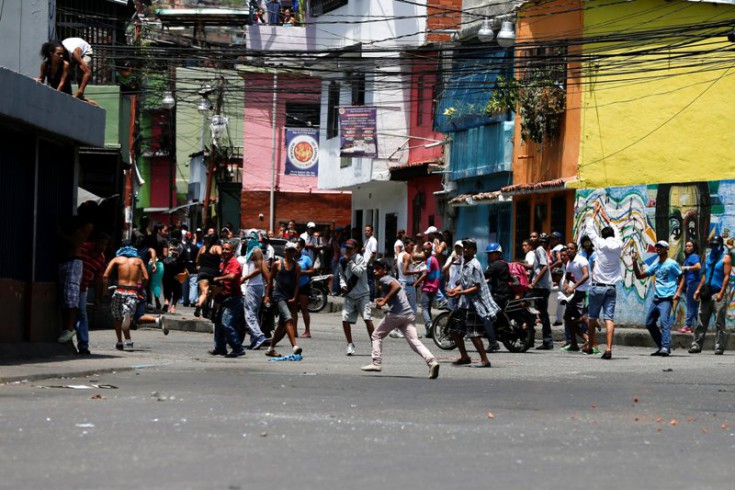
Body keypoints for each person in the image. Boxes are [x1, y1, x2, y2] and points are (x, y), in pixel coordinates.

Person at [361, 260, 440, 379]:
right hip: (408, 314)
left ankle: (376, 362)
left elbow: (397, 287)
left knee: (376, 335)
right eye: (374, 268)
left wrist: (384, 301)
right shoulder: (391, 279)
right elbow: (402, 294)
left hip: (397, 314)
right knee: (414, 342)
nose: (374, 271)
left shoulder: (385, 279)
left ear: (385, 270)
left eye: (378, 268)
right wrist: (382, 299)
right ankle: (432, 361)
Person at [446, 240, 499, 368]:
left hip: (473, 305)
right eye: (464, 248)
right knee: (454, 331)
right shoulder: (465, 263)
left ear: (474, 251)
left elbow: (476, 287)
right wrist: (455, 290)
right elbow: (464, 284)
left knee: (474, 334)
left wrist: (460, 292)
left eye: (468, 248)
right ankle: (464, 357)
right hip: (463, 304)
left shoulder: (475, 265)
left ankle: (485, 360)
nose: (465, 250)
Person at [584, 202, 624, 360]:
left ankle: (591, 345)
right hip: (611, 287)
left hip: (597, 286)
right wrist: (606, 217)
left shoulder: (600, 244)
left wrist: (595, 214)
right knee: (609, 318)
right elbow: (617, 230)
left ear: (603, 235)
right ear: (613, 235)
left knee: (592, 317)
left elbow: (589, 230)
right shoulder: (619, 244)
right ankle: (608, 348)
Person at [632, 240, 682, 356]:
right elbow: (640, 276)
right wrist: (634, 262)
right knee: (649, 323)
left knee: (664, 322)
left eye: (661, 247)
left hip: (666, 298)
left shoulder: (672, 263)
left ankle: (665, 346)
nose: (658, 249)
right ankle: (662, 346)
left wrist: (678, 291)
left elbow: (681, 276)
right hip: (657, 298)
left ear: (666, 249)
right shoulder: (656, 264)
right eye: (657, 247)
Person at [57, 201, 96, 344]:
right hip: (66, 260)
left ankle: (68, 328)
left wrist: (61, 233)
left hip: (74, 261)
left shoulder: (87, 226)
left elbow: (75, 241)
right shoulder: (77, 223)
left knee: (71, 296)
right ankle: (67, 327)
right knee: (65, 295)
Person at [689, 235, 732, 355]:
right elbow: (704, 275)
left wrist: (722, 293)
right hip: (706, 292)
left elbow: (726, 277)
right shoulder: (708, 257)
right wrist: (698, 290)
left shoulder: (726, 258)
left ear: (720, 245)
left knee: (719, 322)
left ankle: (719, 346)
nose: (713, 247)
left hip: (718, 292)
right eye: (711, 245)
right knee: (701, 320)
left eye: (715, 245)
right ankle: (696, 345)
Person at [103, 242, 149, 350]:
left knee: (116, 317)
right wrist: (140, 289)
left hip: (119, 290)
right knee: (127, 315)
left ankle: (119, 341)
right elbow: (146, 277)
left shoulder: (117, 260)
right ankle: (127, 330)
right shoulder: (138, 261)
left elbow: (105, 275)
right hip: (132, 292)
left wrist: (105, 291)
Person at [264, 242, 303, 357]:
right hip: (278, 296)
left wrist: (295, 297)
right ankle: (295, 346)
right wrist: (267, 295)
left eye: (293, 251)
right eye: (289, 250)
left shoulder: (297, 267)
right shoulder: (277, 264)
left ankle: (271, 348)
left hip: (289, 297)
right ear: (285, 251)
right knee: (288, 318)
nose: (291, 253)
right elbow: (270, 280)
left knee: (282, 325)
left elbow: (297, 284)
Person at [209, 242, 246, 358]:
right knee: (218, 323)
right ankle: (220, 348)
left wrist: (219, 278)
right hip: (223, 298)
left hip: (233, 299)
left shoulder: (234, 263)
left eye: (227, 249)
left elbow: (233, 276)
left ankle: (238, 348)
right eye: (223, 249)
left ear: (233, 252)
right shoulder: (223, 264)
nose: (224, 251)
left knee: (227, 324)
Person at [74, 233, 109, 355]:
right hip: (73, 284)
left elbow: (98, 279)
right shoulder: (83, 247)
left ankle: (83, 344)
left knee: (82, 314)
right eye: (101, 243)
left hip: (83, 288)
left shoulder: (101, 259)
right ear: (96, 242)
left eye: (105, 245)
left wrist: (98, 298)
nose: (103, 247)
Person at [339, 238, 375, 355]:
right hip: (350, 295)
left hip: (363, 294)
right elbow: (341, 275)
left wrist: (350, 262)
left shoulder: (361, 259)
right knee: (345, 318)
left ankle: (374, 344)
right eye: (347, 248)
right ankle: (350, 344)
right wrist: (343, 284)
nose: (348, 250)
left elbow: (359, 272)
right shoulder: (342, 261)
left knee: (367, 319)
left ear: (355, 249)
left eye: (350, 248)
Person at [239, 231, 269, 350]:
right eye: (248, 238)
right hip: (254, 285)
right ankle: (254, 340)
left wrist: (245, 278)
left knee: (249, 313)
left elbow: (258, 270)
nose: (249, 240)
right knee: (254, 313)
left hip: (253, 285)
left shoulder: (256, 251)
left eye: (252, 238)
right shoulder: (251, 251)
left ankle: (259, 336)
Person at [559, 242, 590, 352]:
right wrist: (566, 285)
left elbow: (586, 275)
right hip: (577, 292)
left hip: (585, 291)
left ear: (576, 250)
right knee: (568, 317)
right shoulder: (569, 263)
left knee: (584, 317)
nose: (568, 250)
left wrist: (574, 286)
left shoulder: (581, 260)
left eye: (571, 248)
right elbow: (567, 277)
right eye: (567, 248)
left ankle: (591, 341)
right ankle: (574, 343)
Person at [528, 232, 553, 350]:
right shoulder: (537, 250)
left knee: (541, 313)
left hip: (541, 287)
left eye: (534, 237)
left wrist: (533, 282)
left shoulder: (539, 249)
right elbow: (534, 267)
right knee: (539, 313)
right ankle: (532, 339)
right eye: (531, 237)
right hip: (540, 287)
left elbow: (544, 267)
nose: (532, 239)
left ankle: (547, 341)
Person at [414, 241, 441, 339]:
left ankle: (429, 324)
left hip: (428, 287)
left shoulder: (430, 259)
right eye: (424, 249)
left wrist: (415, 283)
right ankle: (429, 332)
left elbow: (425, 274)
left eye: (428, 249)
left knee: (424, 308)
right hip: (434, 288)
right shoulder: (432, 259)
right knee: (428, 308)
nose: (426, 251)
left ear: (431, 250)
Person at [677, 240, 701, 333]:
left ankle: (687, 326)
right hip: (691, 283)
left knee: (691, 305)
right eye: (686, 246)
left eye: (690, 246)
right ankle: (694, 326)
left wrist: (686, 267)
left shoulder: (693, 256)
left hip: (694, 283)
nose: (687, 247)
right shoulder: (688, 258)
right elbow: (684, 276)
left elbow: (698, 266)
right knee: (694, 306)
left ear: (694, 247)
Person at [195, 233, 222, 317]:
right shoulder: (217, 247)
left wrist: (199, 267)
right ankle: (214, 312)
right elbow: (223, 255)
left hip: (203, 272)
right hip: (214, 274)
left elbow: (197, 260)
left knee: (204, 292)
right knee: (216, 295)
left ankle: (199, 304)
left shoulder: (202, 248)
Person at [295, 238, 315, 338]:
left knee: (304, 309)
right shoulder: (290, 258)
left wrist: (301, 272)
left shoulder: (306, 258)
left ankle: (307, 330)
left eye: (298, 247)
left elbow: (311, 271)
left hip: (303, 285)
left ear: (302, 248)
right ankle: (294, 330)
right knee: (293, 309)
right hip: (293, 286)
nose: (296, 249)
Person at [549, 231, 565, 326]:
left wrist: (549, 268)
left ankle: (560, 319)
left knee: (561, 296)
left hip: (561, 274)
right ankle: (559, 319)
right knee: (560, 296)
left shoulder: (557, 248)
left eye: (553, 239)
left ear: (558, 240)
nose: (551, 240)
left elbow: (559, 261)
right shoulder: (559, 247)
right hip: (561, 274)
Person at [443, 241, 464, 311]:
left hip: (461, 289)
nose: (458, 249)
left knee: (460, 311)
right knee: (450, 310)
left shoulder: (465, 259)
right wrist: (451, 262)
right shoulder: (451, 258)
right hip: (451, 289)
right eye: (456, 247)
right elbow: (443, 270)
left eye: (460, 247)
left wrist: (461, 261)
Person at [364, 225, 378, 300]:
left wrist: (368, 263)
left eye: (368, 230)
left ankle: (371, 297)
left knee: (370, 281)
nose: (366, 232)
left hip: (369, 264)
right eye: (365, 230)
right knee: (366, 281)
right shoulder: (367, 240)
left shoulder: (373, 240)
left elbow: (373, 254)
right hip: (365, 263)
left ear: (372, 231)